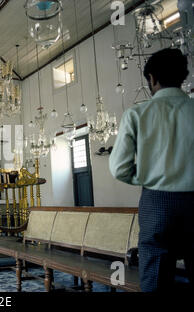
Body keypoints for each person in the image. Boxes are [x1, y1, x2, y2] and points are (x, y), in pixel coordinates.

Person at [109, 48, 194, 292]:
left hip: (157, 203)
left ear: (152, 78)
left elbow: (118, 168)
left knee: (155, 277)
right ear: (183, 77)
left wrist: (148, 175)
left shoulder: (137, 113)